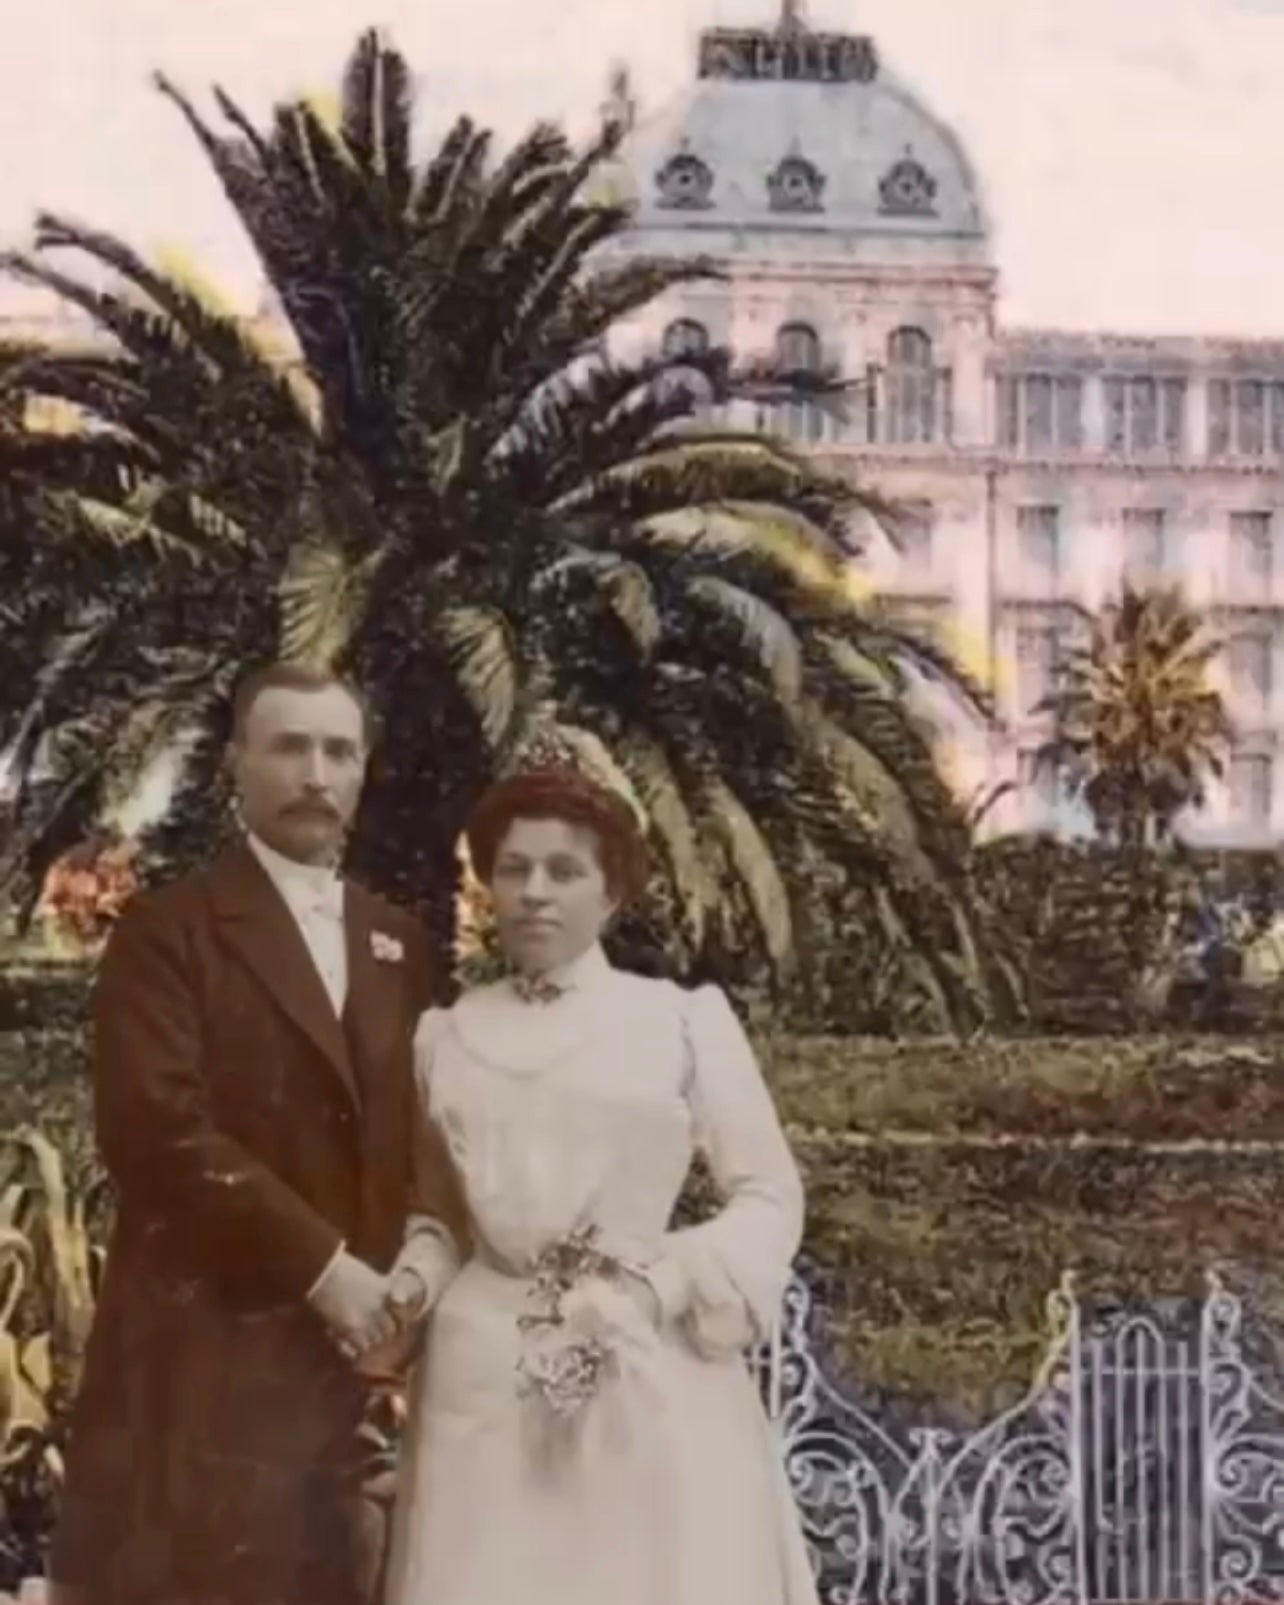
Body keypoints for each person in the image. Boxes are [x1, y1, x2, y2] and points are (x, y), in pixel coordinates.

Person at [49, 664, 467, 1605]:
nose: (316, 773)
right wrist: (325, 1270)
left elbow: (419, 1134)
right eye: (289, 747)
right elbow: (155, 1131)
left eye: (339, 751)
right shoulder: (168, 930)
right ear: (234, 764)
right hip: (205, 1368)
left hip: (349, 1377)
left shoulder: (397, 942)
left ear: (363, 771)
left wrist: (411, 1273)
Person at [382, 764, 819, 1605]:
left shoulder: (678, 1022)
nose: (535, 893)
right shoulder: (444, 1037)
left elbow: (769, 1194)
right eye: (514, 869)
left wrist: (661, 1286)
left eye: (565, 870)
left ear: (611, 892)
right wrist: (407, 1285)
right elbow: (437, 1218)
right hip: (483, 1376)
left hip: (643, 1356)